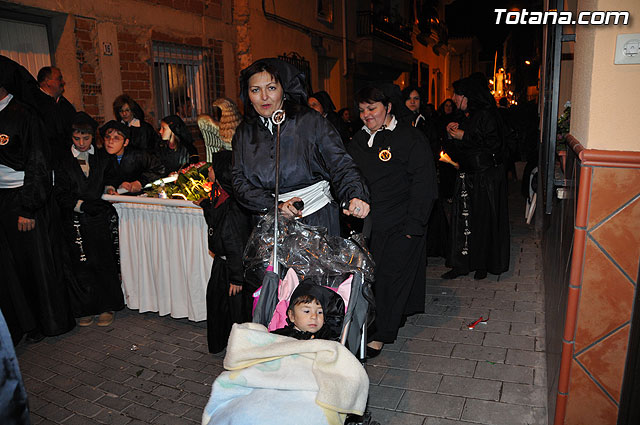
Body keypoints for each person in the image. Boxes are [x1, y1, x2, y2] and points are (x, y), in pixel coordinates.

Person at [346, 85, 438, 357]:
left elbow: (424, 185)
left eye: (372, 108)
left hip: (402, 222)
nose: (366, 115)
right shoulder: (358, 141)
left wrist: (414, 226)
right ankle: (388, 318)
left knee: (389, 278)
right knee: (374, 280)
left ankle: (382, 334)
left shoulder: (410, 138)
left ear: (387, 107)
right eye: (361, 110)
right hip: (371, 226)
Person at [232, 58, 370, 236]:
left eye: (271, 88)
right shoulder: (244, 133)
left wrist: (355, 194)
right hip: (268, 223)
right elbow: (239, 181)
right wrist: (276, 206)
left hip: (316, 219)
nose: (264, 97)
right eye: (255, 90)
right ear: (248, 96)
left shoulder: (310, 121)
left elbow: (339, 162)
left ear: (283, 90)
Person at [0, 59, 76, 343]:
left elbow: (38, 163)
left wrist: (29, 207)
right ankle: (22, 324)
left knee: (39, 266)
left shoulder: (24, 115)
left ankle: (49, 323)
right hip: (3, 201)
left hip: (25, 199)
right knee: (11, 269)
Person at [54, 112, 124, 327]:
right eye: (77, 139)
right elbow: (60, 192)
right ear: (71, 138)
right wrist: (81, 205)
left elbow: (111, 177)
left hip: (99, 217)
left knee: (104, 260)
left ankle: (106, 306)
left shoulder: (103, 158)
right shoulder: (63, 161)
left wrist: (109, 188)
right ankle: (85, 307)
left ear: (93, 137)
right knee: (80, 263)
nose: (82, 143)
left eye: (86, 138)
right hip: (75, 219)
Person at [442, 74, 510, 280]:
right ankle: (461, 264)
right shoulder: (467, 116)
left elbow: (494, 143)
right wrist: (450, 133)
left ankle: (482, 264)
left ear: (467, 95)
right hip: (466, 176)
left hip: (485, 178)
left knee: (482, 221)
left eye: (457, 94)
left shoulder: (487, 115)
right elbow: (460, 147)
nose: (453, 98)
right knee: (463, 221)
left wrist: (464, 135)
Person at [198, 150, 253, 353]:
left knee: (233, 310)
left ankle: (239, 351)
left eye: (212, 167)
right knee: (218, 303)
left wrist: (236, 278)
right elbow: (216, 221)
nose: (209, 170)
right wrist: (205, 205)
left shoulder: (233, 205)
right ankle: (224, 343)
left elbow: (234, 243)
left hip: (232, 268)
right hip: (222, 264)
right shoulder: (222, 194)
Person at [100, 120, 164, 193]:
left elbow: (159, 169)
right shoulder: (100, 157)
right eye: (107, 137)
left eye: (116, 138)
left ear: (126, 142)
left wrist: (140, 182)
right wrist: (110, 188)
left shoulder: (139, 155)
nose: (110, 141)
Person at [271, 282, 345, 341]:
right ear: (292, 316)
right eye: (307, 311)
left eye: (320, 312)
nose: (314, 316)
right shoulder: (280, 337)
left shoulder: (328, 338)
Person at [35, 66, 77, 166]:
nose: (63, 82)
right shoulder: (35, 104)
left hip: (65, 160)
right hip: (45, 161)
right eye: (59, 79)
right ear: (47, 81)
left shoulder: (65, 105)